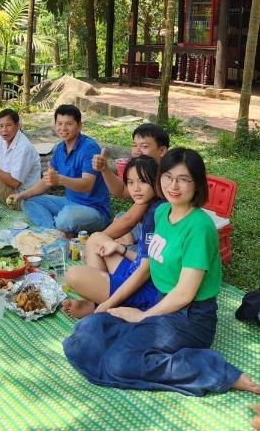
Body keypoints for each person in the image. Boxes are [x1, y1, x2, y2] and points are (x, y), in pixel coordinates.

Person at [63, 147, 260, 397]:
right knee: (89, 331)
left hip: (190, 318)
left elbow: (184, 294)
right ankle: (148, 339)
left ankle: (213, 369)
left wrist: (141, 316)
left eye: (183, 179)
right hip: (162, 305)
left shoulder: (199, 227)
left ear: (197, 184)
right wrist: (122, 303)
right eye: (168, 177)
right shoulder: (162, 213)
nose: (173, 185)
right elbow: (148, 263)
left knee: (118, 362)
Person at [63, 156, 163, 318]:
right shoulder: (153, 207)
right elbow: (149, 261)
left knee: (73, 274)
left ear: (156, 182)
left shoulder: (157, 214)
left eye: (142, 182)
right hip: (138, 272)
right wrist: (121, 249)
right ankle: (97, 297)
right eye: (130, 182)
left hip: (147, 292)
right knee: (96, 238)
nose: (136, 188)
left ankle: (100, 306)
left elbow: (146, 271)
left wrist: (107, 304)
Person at [9, 105, 110, 237]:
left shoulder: (89, 147)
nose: (63, 128)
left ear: (80, 125)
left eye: (69, 124)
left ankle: (59, 229)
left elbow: (87, 185)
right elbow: (47, 181)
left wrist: (60, 179)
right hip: (69, 203)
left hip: (94, 210)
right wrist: (22, 195)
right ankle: (55, 232)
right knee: (28, 202)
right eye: (60, 123)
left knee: (66, 218)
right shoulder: (60, 148)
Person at [86, 123, 170, 259]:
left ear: (162, 151)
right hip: (148, 227)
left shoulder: (161, 177)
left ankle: (130, 249)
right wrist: (105, 169)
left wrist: (96, 239)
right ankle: (127, 243)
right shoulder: (145, 168)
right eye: (135, 145)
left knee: (106, 249)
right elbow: (122, 191)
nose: (137, 151)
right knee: (120, 217)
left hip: (160, 245)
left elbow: (129, 220)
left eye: (144, 146)